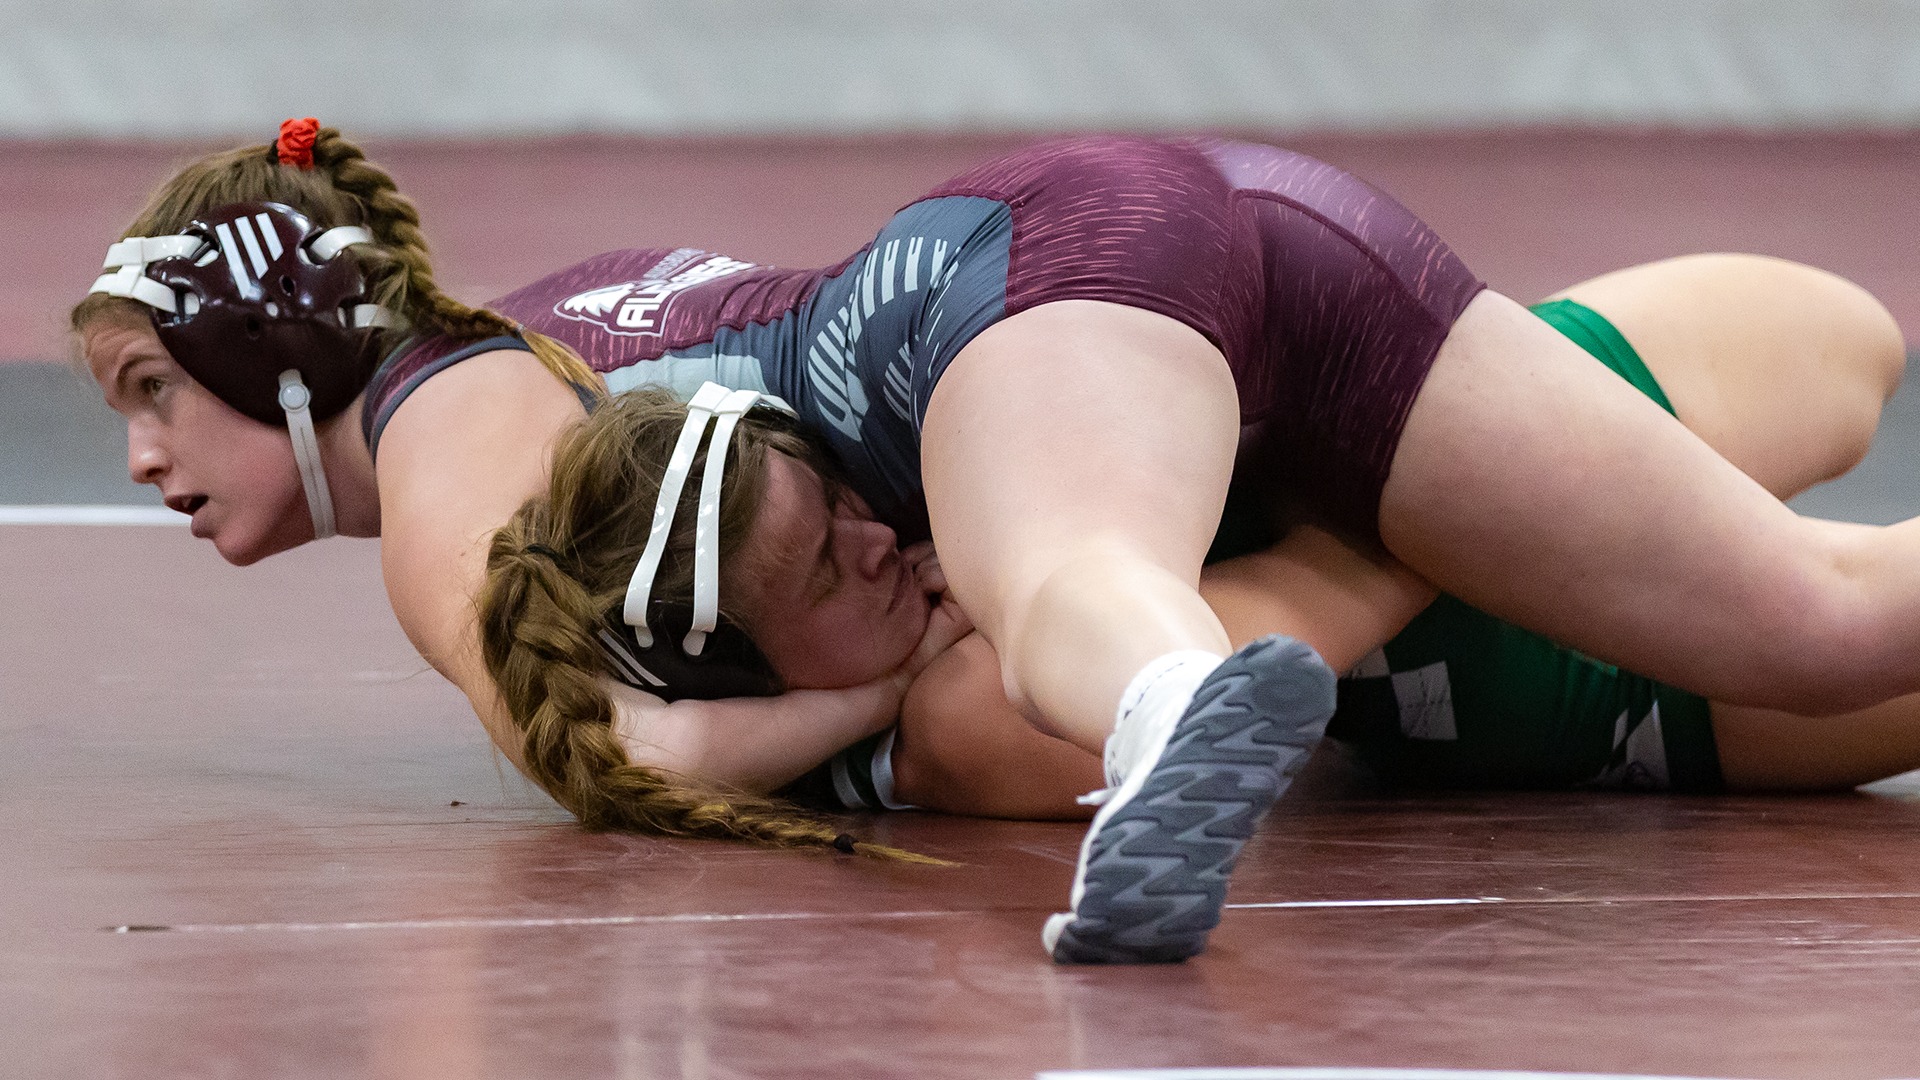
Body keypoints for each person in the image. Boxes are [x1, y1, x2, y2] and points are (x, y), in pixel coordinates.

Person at [76, 119, 1915, 964]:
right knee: (1824, 625)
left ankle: (1161, 700)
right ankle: (1177, 673)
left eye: (155, 391)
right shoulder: (556, 332)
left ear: (279, 355)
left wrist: (852, 717)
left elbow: (605, 751)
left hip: (1028, 298)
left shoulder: (444, 433)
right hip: (1241, 257)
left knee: (1054, 599)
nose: (148, 457)